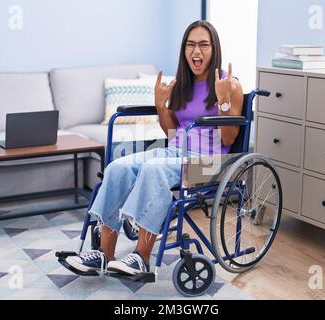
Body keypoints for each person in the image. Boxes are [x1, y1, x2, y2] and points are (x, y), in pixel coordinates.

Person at [66, 20, 244, 275]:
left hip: (210, 163)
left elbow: (228, 139)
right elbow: (172, 133)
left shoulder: (230, 84)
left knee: (154, 169)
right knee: (117, 167)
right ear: (184, 50)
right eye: (190, 45)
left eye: (204, 45)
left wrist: (224, 100)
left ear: (214, 49)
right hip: (176, 153)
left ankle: (141, 257)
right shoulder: (184, 84)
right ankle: (105, 253)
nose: (197, 51)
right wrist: (161, 106)